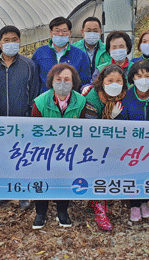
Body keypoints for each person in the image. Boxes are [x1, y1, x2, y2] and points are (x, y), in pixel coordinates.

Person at [31, 63, 96, 229]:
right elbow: (34, 130)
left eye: (67, 79)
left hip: (68, 150)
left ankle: (62, 211)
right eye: (58, 79)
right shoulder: (40, 102)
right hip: (44, 150)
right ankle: (41, 212)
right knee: (42, 177)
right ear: (51, 81)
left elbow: (83, 128)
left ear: (73, 83)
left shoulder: (81, 101)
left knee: (64, 178)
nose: (62, 83)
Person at [0, 25, 40, 210]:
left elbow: (34, 93)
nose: (10, 43)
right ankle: (3, 192)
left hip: (22, 121)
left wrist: (29, 117)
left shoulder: (29, 65)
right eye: (6, 40)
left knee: (22, 157)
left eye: (14, 40)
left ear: (19, 42)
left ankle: (23, 193)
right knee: (1, 157)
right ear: (0, 43)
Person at [83, 64, 128, 231]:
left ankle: (96, 200)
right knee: (98, 169)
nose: (114, 84)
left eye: (118, 80)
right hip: (93, 144)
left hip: (116, 142)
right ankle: (99, 207)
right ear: (102, 82)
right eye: (110, 81)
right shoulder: (93, 98)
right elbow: (92, 129)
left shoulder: (124, 95)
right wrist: (109, 118)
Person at [120, 60, 149, 222]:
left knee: (147, 173)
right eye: (139, 76)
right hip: (131, 146)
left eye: (147, 75)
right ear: (132, 78)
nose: (143, 79)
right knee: (133, 173)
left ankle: (144, 202)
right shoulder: (126, 96)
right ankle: (134, 205)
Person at [32, 17, 91, 92]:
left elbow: (85, 81)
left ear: (70, 33)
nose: (60, 34)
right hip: (46, 100)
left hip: (71, 100)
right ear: (51, 33)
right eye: (57, 31)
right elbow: (34, 80)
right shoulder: (40, 53)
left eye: (64, 31)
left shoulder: (80, 55)